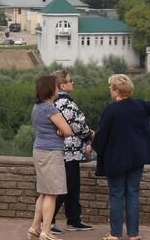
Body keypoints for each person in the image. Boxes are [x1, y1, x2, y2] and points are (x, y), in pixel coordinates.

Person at [92, 75, 150, 240]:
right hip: (137, 157)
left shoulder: (111, 110)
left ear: (116, 91)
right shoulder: (140, 106)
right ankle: (133, 234)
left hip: (116, 160)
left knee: (116, 194)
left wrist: (92, 146)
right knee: (132, 194)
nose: (110, 90)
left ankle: (115, 234)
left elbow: (102, 137)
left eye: (111, 88)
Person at [28, 74, 73, 240]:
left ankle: (35, 227)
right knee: (52, 193)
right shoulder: (50, 109)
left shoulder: (37, 107)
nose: (58, 89)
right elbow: (68, 131)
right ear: (50, 89)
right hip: (51, 153)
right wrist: (61, 130)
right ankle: (46, 230)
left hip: (40, 151)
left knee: (43, 192)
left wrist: (59, 129)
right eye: (56, 86)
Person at [51, 69, 94, 232]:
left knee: (73, 185)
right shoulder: (65, 103)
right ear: (62, 85)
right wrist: (90, 134)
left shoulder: (58, 102)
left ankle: (73, 219)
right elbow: (77, 125)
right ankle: (48, 221)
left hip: (69, 152)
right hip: (67, 152)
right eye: (70, 80)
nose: (73, 82)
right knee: (65, 186)